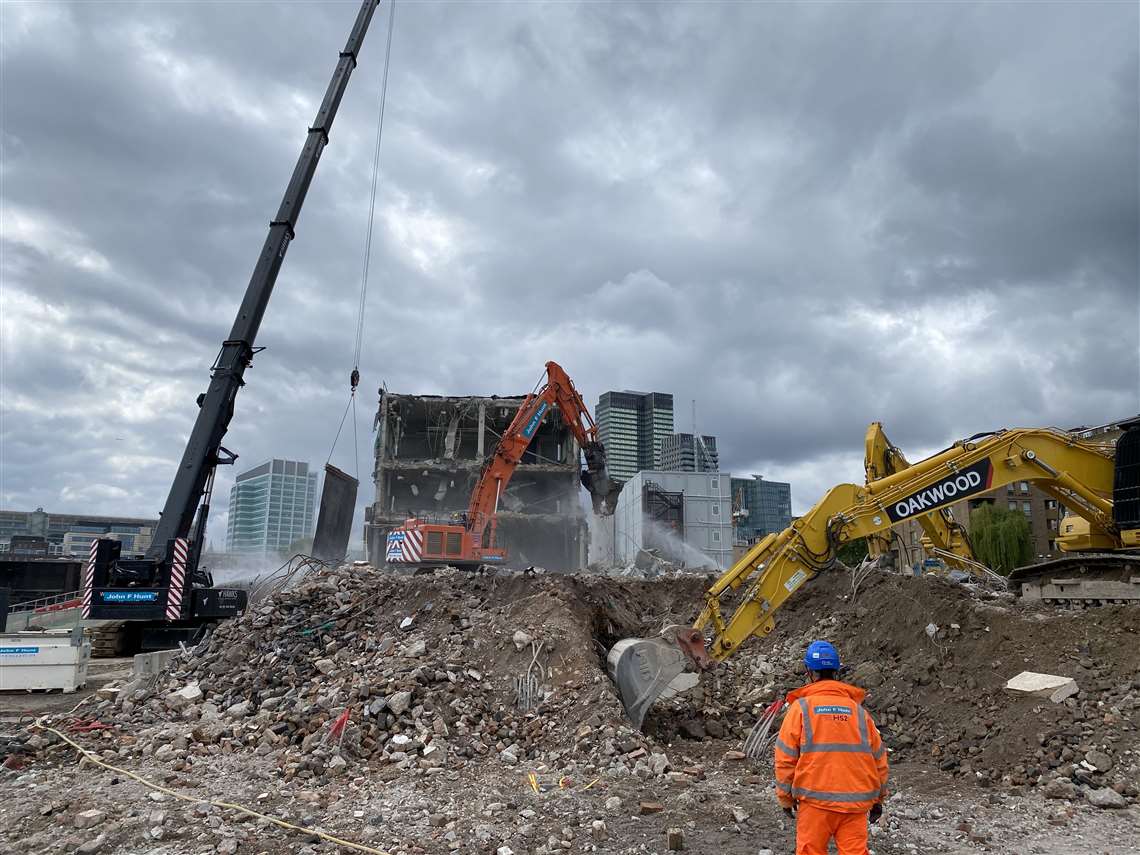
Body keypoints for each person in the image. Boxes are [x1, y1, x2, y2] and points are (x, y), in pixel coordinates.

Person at [774, 640, 889, 855]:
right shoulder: (859, 712)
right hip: (855, 805)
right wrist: (878, 799)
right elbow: (879, 760)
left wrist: (785, 798)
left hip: (815, 804)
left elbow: (785, 758)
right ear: (836, 671)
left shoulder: (801, 709)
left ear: (809, 672)